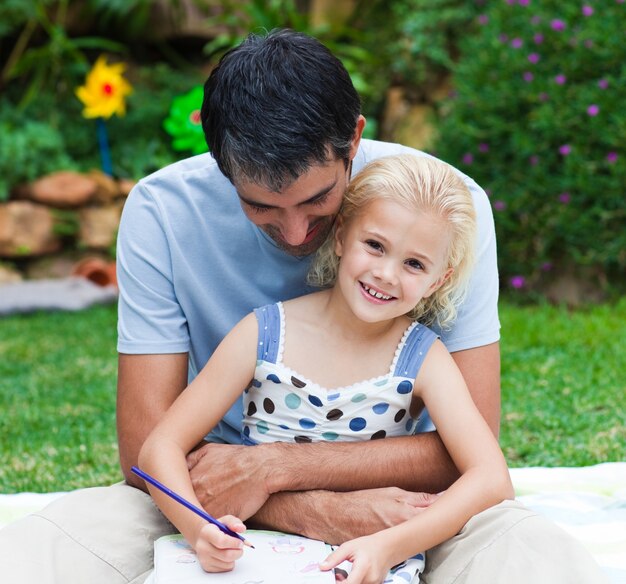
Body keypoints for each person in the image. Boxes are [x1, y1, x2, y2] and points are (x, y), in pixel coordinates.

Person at [0, 28, 607, 584]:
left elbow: (474, 453)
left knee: (533, 560)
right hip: (210, 500)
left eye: (318, 202)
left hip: (405, 505)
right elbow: (147, 453)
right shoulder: (162, 212)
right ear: (220, 166)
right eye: (261, 207)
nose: (295, 235)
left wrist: (280, 471)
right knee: (38, 557)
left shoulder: (440, 212)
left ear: (355, 141)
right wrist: (307, 510)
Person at [138, 154, 515, 583]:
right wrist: (198, 528)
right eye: (374, 245)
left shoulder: (424, 358)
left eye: (414, 264)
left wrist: (392, 544)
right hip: (252, 551)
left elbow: (490, 478)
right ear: (340, 236)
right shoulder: (263, 333)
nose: (386, 273)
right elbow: (160, 447)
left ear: (438, 281)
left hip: (369, 558)